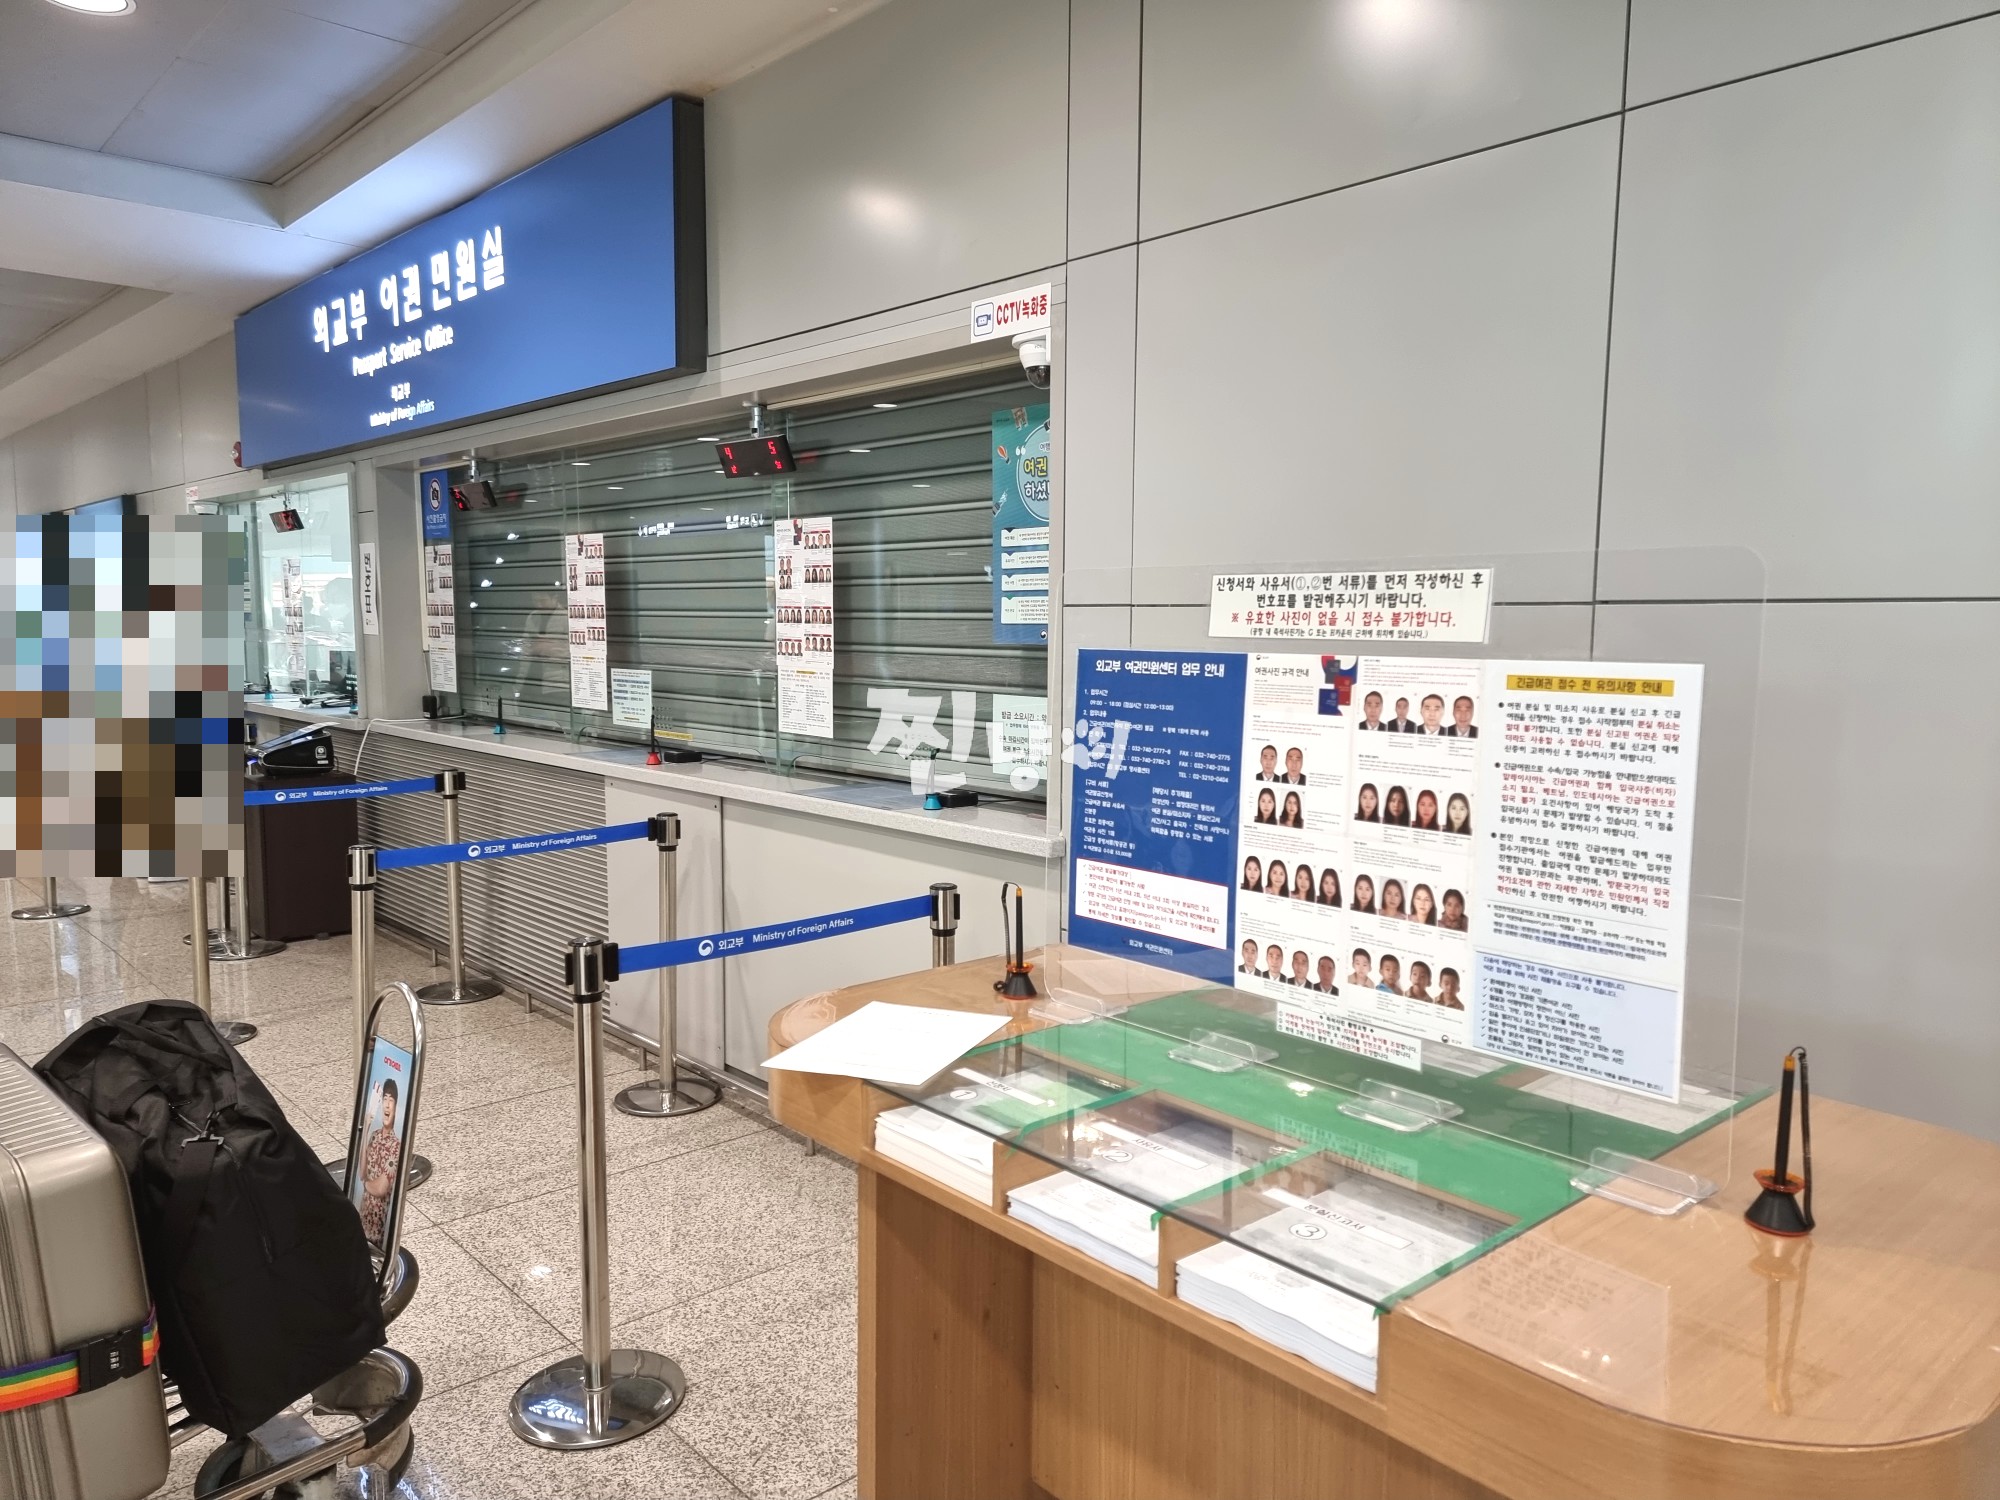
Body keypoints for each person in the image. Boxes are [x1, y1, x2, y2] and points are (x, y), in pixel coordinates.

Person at [358, 1077, 401, 1248]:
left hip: (377, 1226)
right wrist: (366, 1129)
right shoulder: (374, 1135)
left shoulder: (396, 1146)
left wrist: (366, 1184)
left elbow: (381, 1188)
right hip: (363, 1214)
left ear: (396, 1107)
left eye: (391, 1100)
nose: (387, 1105)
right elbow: (361, 1172)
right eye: (385, 1099)